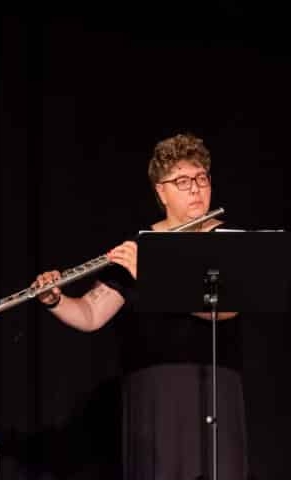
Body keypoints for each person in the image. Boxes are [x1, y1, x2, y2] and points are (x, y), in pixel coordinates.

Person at [35, 133, 249, 479]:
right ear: (161, 192)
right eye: (183, 181)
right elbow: (91, 315)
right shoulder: (140, 246)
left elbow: (224, 308)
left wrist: (154, 275)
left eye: (201, 178)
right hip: (154, 395)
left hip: (212, 386)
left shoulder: (227, 241)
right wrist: (55, 300)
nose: (196, 189)